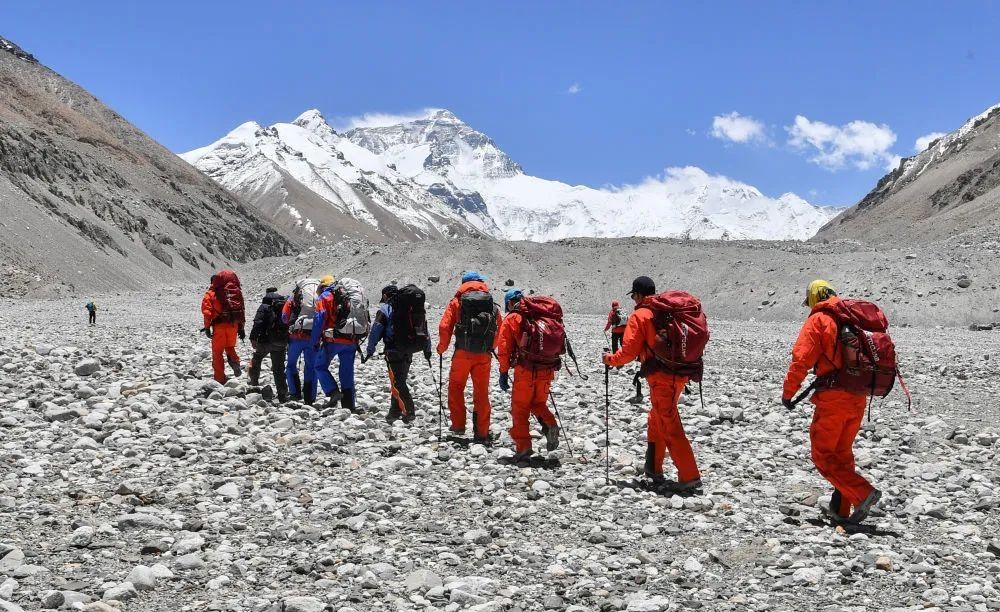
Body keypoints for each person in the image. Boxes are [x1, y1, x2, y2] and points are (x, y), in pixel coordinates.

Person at [782, 280, 882, 524]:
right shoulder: (854, 319)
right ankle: (841, 510)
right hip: (858, 397)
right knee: (841, 454)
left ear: (815, 298)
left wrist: (788, 393)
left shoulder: (820, 319)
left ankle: (863, 493)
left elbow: (801, 360)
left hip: (833, 399)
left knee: (823, 456)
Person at [602, 276, 701, 492]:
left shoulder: (641, 315)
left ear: (637, 295)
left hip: (661, 377)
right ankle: (653, 468)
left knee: (668, 423)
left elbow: (628, 352)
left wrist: (610, 359)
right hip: (679, 374)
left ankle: (690, 476)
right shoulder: (666, 313)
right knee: (656, 418)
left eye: (634, 296)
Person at [437, 271, 501, 443]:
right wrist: (489, 347)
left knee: (456, 388)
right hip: (483, 356)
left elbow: (444, 327)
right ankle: (482, 432)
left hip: (462, 354)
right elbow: (499, 330)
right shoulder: (491, 304)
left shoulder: (457, 302)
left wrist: (441, 348)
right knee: (481, 393)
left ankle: (458, 425)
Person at [496, 288, 560, 462]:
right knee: (538, 403)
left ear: (510, 302)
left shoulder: (513, 318)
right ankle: (550, 424)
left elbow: (503, 348)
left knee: (520, 408)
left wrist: (503, 372)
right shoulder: (542, 315)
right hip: (547, 368)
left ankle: (523, 447)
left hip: (525, 371)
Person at [366, 285, 432, 424]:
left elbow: (376, 330)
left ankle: (409, 411)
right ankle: (395, 410)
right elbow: (424, 328)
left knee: (398, 382)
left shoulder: (386, 309)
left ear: (385, 296)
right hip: (410, 348)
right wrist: (427, 349)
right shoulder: (412, 308)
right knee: (399, 379)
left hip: (393, 350)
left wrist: (370, 350)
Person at [312, 275, 361, 413]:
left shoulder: (325, 296)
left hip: (333, 340)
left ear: (322, 286)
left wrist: (314, 341)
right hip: (351, 339)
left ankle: (333, 391)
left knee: (319, 366)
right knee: (347, 373)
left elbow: (319, 318)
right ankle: (349, 406)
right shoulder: (348, 295)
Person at [201, 271, 245, 384]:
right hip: (233, 325)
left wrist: (207, 327)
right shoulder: (234, 292)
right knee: (230, 347)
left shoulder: (210, 293)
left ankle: (219, 378)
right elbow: (241, 310)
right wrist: (241, 327)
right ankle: (235, 362)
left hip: (219, 327)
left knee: (217, 352)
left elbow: (207, 312)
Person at [283, 278, 322, 405]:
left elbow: (284, 317)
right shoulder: (320, 296)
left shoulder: (294, 297)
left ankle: (295, 393)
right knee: (311, 367)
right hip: (313, 337)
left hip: (296, 337)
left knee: (291, 365)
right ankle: (310, 398)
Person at [248, 287, 289, 401]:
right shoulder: (284, 305)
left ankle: (254, 385)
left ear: (267, 294)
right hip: (280, 342)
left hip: (265, 342)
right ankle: (282, 394)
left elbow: (258, 322)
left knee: (256, 359)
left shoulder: (264, 306)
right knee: (279, 368)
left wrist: (253, 338)